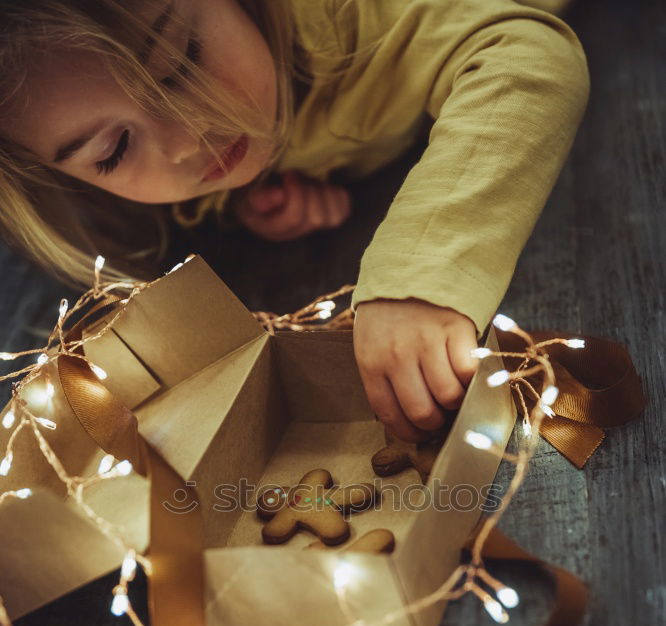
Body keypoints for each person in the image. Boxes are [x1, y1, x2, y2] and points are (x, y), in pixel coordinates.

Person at [0, 0, 588, 443]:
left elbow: (525, 55)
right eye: (114, 151)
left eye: (182, 62)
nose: (188, 139)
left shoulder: (352, 20)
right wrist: (248, 188)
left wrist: (421, 276)